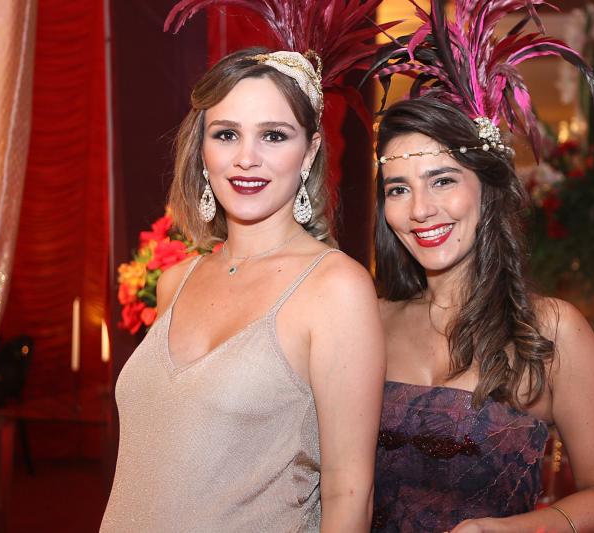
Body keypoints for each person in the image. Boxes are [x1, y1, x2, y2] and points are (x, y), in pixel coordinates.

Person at [101, 1, 390, 531]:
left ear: (309, 153)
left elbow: (349, 492)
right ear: (202, 149)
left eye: (274, 135)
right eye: (226, 134)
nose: (246, 158)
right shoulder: (175, 282)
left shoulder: (335, 289)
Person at [369, 2, 594, 532]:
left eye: (443, 180)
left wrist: (511, 530)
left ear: (487, 190)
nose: (420, 210)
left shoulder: (552, 330)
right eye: (399, 189)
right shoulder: (366, 320)